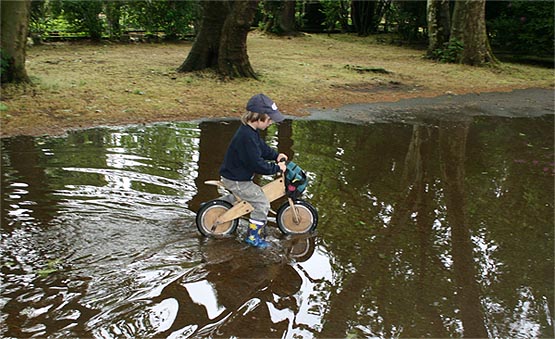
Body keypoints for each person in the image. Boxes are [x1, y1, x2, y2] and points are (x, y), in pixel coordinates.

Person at [219, 93, 288, 248]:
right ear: (259, 118)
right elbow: (257, 164)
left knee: (245, 198)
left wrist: (276, 156)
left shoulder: (250, 132)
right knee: (262, 203)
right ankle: (253, 237)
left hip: (236, 176)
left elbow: (262, 149)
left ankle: (218, 206)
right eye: (269, 120)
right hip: (237, 180)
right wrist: (277, 168)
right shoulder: (246, 137)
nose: (270, 123)